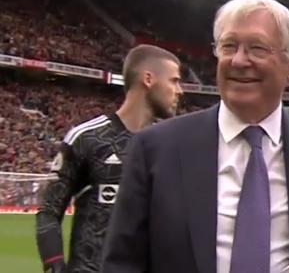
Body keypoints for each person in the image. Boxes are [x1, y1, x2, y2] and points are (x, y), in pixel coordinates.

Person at [101, 0, 289, 273]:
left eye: (257, 48)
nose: (239, 60)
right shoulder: (155, 148)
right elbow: (122, 263)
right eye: (229, 46)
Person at [35, 44, 183, 273]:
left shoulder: (169, 145)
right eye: (174, 81)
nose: (180, 90)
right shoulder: (88, 138)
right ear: (148, 79)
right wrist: (54, 266)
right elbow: (49, 211)